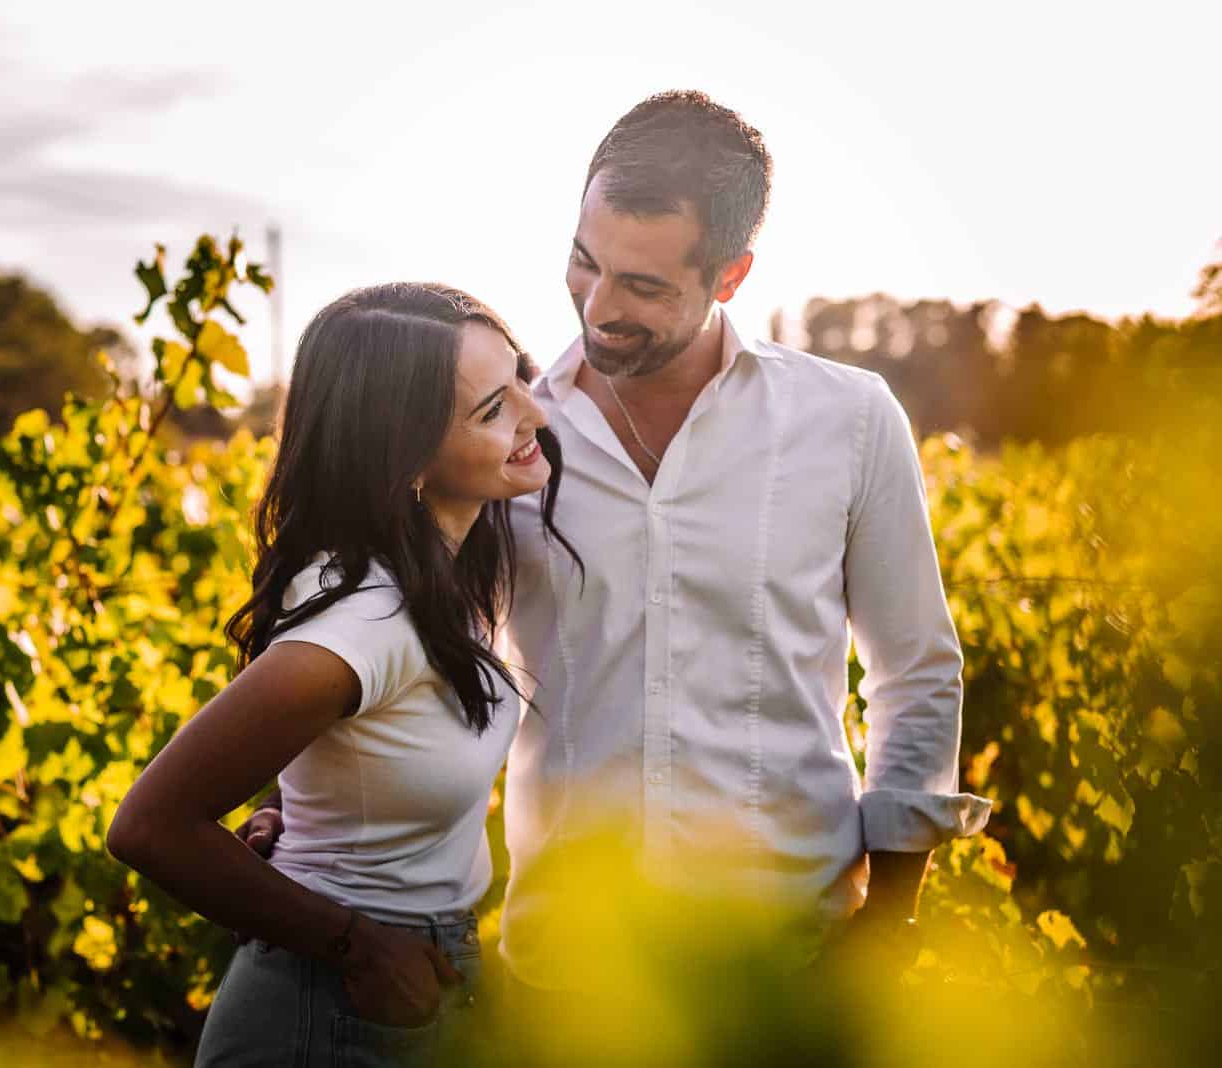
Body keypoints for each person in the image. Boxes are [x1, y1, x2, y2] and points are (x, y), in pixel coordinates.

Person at [241, 90, 993, 1002]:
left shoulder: (849, 420)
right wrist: (291, 791)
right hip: (570, 970)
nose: (598, 309)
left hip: (793, 956)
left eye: (641, 286)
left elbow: (914, 670)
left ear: (729, 275)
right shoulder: (501, 431)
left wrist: (890, 918)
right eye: (582, 263)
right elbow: (372, 600)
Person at [106, 282, 580, 1066]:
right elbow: (150, 826)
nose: (534, 414)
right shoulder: (369, 619)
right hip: (329, 1012)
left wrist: (278, 804)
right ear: (404, 456)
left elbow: (337, 745)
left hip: (401, 987)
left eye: (521, 379)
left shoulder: (449, 573)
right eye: (493, 410)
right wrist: (360, 947)